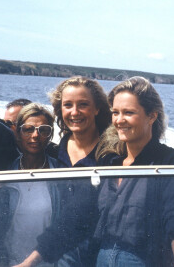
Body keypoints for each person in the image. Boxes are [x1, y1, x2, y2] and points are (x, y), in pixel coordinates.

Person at [95, 76, 174, 267]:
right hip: (101, 258)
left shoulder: (171, 162)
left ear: (152, 116)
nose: (119, 120)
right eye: (115, 112)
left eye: (128, 112)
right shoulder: (108, 162)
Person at [13, 76, 111, 267]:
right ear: (60, 110)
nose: (75, 112)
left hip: (91, 254)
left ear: (97, 108)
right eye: (68, 105)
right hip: (57, 250)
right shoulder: (57, 151)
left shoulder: (110, 155)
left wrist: (32, 260)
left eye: (83, 104)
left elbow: (81, 211)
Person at [5, 103, 59, 266]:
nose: (35, 135)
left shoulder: (61, 173)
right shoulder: (5, 172)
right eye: (28, 129)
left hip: (49, 263)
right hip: (9, 262)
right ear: (18, 133)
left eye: (43, 130)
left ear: (50, 135)